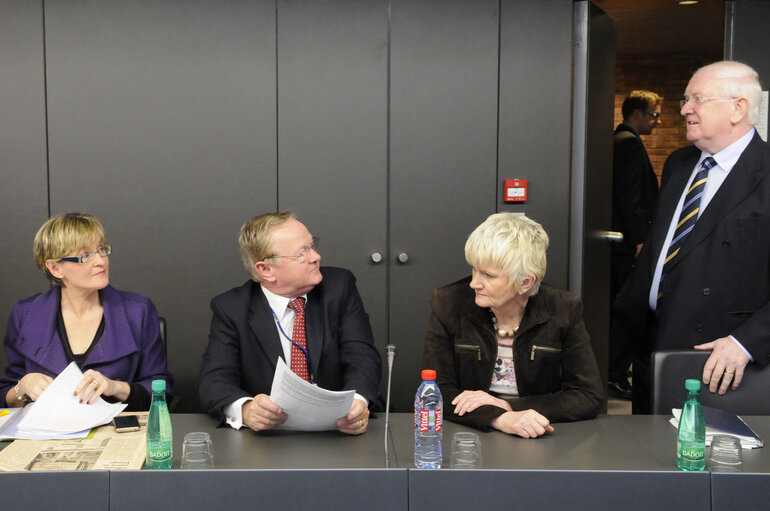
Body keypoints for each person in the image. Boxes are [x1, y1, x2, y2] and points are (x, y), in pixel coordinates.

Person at [615, 61, 770, 414]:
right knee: (645, 458)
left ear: (738, 108)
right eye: (686, 99)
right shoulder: (679, 163)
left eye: (697, 99)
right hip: (651, 344)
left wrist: (746, 343)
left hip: (720, 362)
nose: (684, 109)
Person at [198, 211, 381, 434]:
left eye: (312, 245)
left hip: (338, 431)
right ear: (266, 270)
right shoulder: (232, 308)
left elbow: (362, 356)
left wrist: (358, 404)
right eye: (302, 253)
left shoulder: (339, 287)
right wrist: (246, 409)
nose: (316, 256)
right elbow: (214, 380)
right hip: (268, 440)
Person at [422, 213, 603, 438]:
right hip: (471, 433)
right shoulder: (448, 303)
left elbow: (587, 396)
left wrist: (510, 407)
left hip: (540, 434)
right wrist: (499, 417)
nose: (474, 283)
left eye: (488, 275)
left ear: (525, 282)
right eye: (474, 269)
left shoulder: (563, 309)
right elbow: (434, 392)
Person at [0, 213, 172, 411]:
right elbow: (5, 394)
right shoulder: (25, 314)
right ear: (55, 268)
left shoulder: (138, 311)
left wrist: (116, 387)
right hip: (47, 436)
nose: (100, 261)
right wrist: (23, 386)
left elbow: (162, 392)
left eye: (101, 249)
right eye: (86, 255)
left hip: (116, 433)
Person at [609, 90, 662, 400]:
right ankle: (615, 372)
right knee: (628, 307)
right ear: (637, 114)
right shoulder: (628, 144)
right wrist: (640, 239)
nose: (656, 122)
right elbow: (629, 198)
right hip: (628, 246)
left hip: (624, 243)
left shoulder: (620, 141)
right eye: (654, 115)